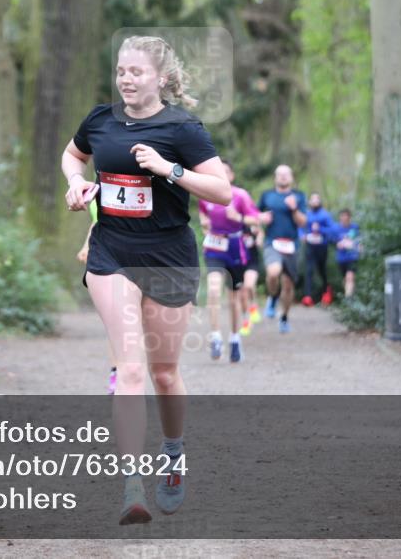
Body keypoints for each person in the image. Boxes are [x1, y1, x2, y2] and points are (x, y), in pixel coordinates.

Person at [62, 35, 230, 525]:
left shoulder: (182, 127)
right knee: (130, 369)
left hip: (169, 257)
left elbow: (221, 190)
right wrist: (76, 185)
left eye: (136, 72)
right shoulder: (100, 120)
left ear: (159, 77)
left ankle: (173, 453)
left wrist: (168, 169)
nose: (126, 79)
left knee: (163, 373)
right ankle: (131, 485)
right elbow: (73, 156)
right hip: (111, 251)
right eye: (120, 71)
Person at [198, 160, 259, 363]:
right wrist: (205, 224)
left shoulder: (240, 195)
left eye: (226, 172)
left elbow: (255, 219)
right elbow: (203, 216)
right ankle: (215, 337)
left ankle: (234, 339)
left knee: (233, 299)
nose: (222, 174)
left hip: (235, 249)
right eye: (219, 171)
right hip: (215, 248)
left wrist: (238, 217)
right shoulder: (205, 195)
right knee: (214, 290)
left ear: (231, 176)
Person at [257, 165, 307, 334]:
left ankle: (284, 317)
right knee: (272, 273)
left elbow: (303, 222)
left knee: (288, 285)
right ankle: (272, 297)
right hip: (272, 242)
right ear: (275, 177)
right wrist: (261, 220)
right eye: (280, 174)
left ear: (292, 178)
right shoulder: (267, 196)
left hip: (292, 245)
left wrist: (294, 209)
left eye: (287, 174)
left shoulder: (299, 196)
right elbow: (255, 215)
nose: (283, 177)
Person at [77, 197, 118, 394]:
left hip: (142, 254)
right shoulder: (97, 191)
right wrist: (86, 246)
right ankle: (116, 371)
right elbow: (97, 222)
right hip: (109, 255)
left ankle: (134, 370)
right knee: (116, 322)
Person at [300, 192, 336, 306]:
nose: (315, 201)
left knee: (322, 270)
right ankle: (307, 296)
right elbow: (300, 227)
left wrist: (320, 229)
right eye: (313, 199)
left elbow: (332, 229)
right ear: (309, 202)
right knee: (309, 270)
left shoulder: (325, 215)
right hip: (310, 246)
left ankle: (326, 293)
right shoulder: (306, 214)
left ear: (320, 202)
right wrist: (302, 235)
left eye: (317, 199)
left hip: (322, 246)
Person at [332, 208, 361, 298]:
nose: (344, 218)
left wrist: (355, 245)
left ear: (349, 217)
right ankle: (350, 295)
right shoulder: (336, 228)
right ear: (340, 217)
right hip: (341, 258)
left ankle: (348, 299)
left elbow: (359, 241)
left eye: (346, 216)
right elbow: (333, 241)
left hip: (352, 257)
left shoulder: (355, 227)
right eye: (342, 216)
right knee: (346, 279)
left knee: (350, 277)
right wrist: (339, 244)